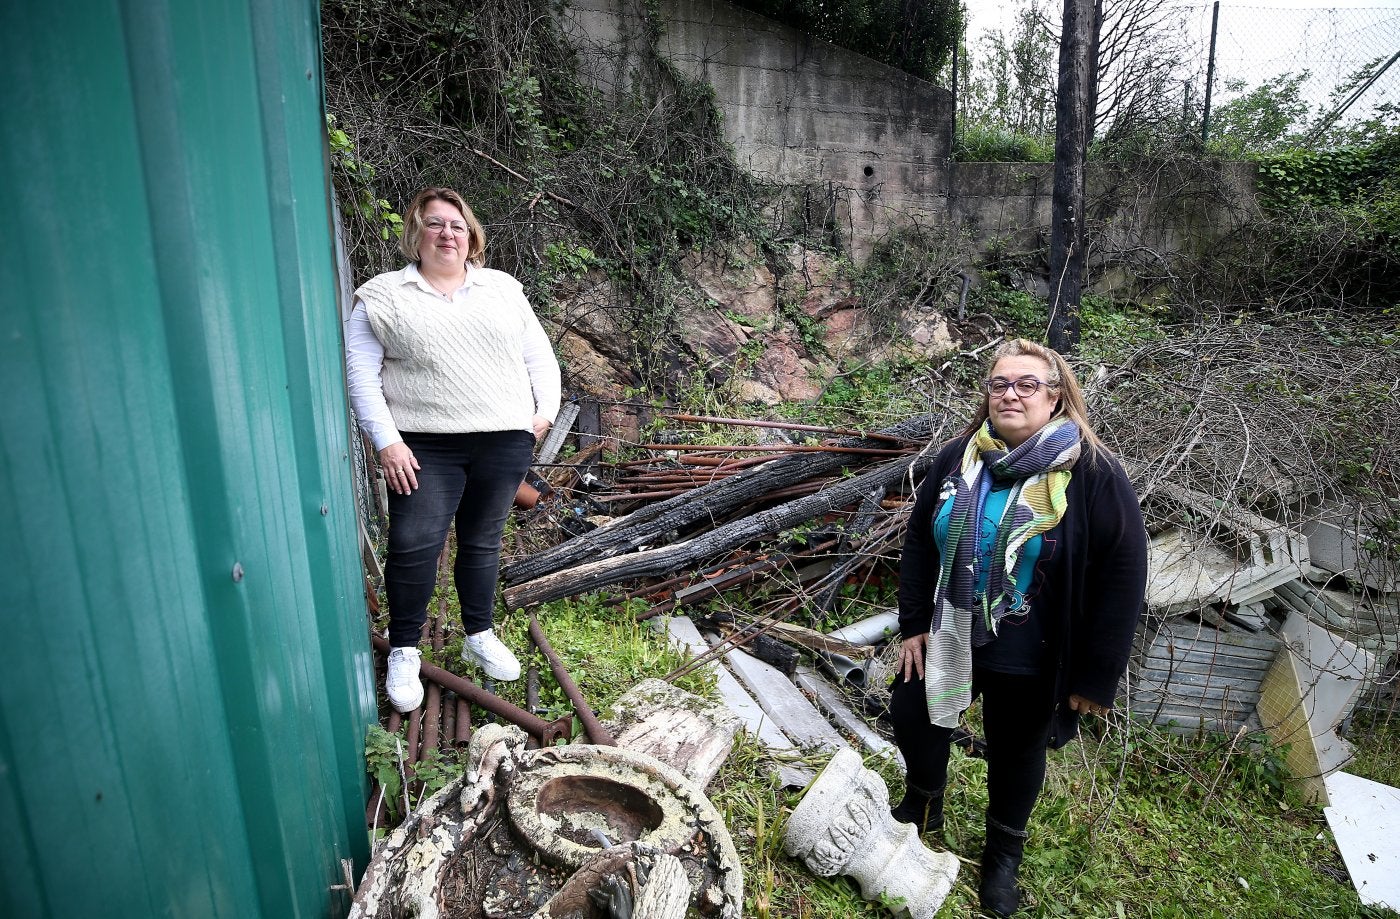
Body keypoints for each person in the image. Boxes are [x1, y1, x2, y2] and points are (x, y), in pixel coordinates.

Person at [888, 338, 1147, 917]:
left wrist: (1096, 677)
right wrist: (911, 625)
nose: (1011, 394)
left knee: (1017, 750)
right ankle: (924, 803)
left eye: (1027, 384)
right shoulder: (960, 459)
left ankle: (1002, 857)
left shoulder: (1093, 472)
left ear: (1055, 398)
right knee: (912, 713)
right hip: (948, 632)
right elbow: (917, 543)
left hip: (1035, 647)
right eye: (1000, 383)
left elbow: (1124, 572)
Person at [346, 186, 561, 713]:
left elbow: (541, 358)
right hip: (422, 446)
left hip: (502, 441)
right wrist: (387, 442)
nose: (448, 233)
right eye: (436, 224)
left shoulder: (503, 289)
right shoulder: (382, 296)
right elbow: (361, 375)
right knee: (415, 543)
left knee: (483, 540)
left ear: (472, 237)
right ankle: (404, 650)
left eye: (457, 225)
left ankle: (478, 634)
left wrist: (542, 416)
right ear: (415, 234)